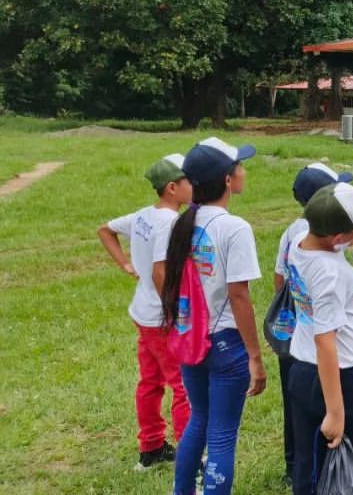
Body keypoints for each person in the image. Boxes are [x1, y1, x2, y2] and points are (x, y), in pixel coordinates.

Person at [156, 137, 265, 495]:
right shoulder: (234, 228)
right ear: (227, 180)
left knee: (198, 422)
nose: (244, 171)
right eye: (240, 166)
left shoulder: (181, 223)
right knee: (221, 435)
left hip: (191, 340)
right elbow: (238, 295)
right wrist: (255, 357)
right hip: (226, 344)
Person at [285, 182, 353, 495]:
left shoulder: (299, 240)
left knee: (309, 460)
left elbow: (328, 223)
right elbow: (325, 341)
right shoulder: (331, 274)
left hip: (303, 370)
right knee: (344, 470)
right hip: (340, 378)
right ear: (339, 238)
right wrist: (336, 410)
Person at [97, 153, 192, 471]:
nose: (194, 187)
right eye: (188, 182)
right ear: (172, 188)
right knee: (183, 386)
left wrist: (125, 264)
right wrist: (175, 312)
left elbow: (105, 230)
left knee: (150, 381)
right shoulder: (169, 222)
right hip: (160, 318)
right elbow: (159, 271)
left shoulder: (143, 215)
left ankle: (151, 448)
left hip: (142, 313)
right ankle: (190, 457)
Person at [272, 162, 353, 487]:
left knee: (296, 406)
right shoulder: (321, 236)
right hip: (319, 337)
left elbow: (280, 279)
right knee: (322, 403)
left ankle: (295, 466)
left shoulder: (292, 232)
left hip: (294, 331)